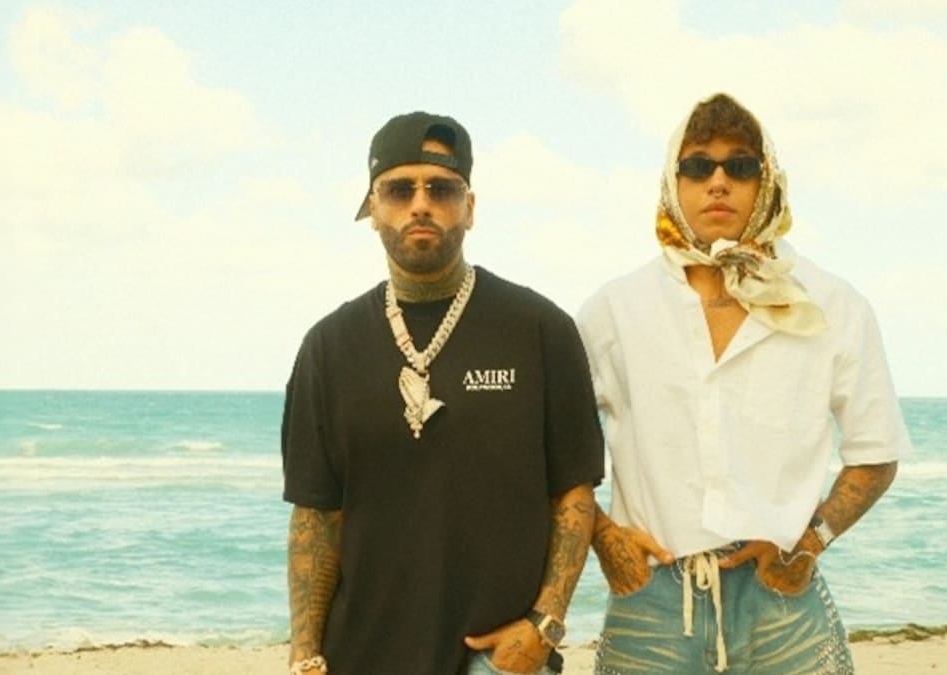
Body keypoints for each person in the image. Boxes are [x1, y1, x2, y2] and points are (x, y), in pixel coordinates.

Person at [575, 93, 912, 674]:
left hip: (780, 597)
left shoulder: (830, 303)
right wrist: (605, 538)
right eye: (697, 165)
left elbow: (876, 451)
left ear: (767, 179)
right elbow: (554, 449)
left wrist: (810, 541)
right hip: (652, 599)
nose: (718, 182)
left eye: (740, 165)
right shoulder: (616, 309)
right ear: (672, 181)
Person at [281, 111, 605, 675]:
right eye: (399, 190)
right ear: (373, 209)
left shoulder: (540, 330)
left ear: (470, 207)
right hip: (360, 658)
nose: (420, 204)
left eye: (441, 189)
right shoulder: (328, 348)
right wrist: (304, 652)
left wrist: (545, 624)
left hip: (499, 661)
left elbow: (573, 494)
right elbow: (316, 518)